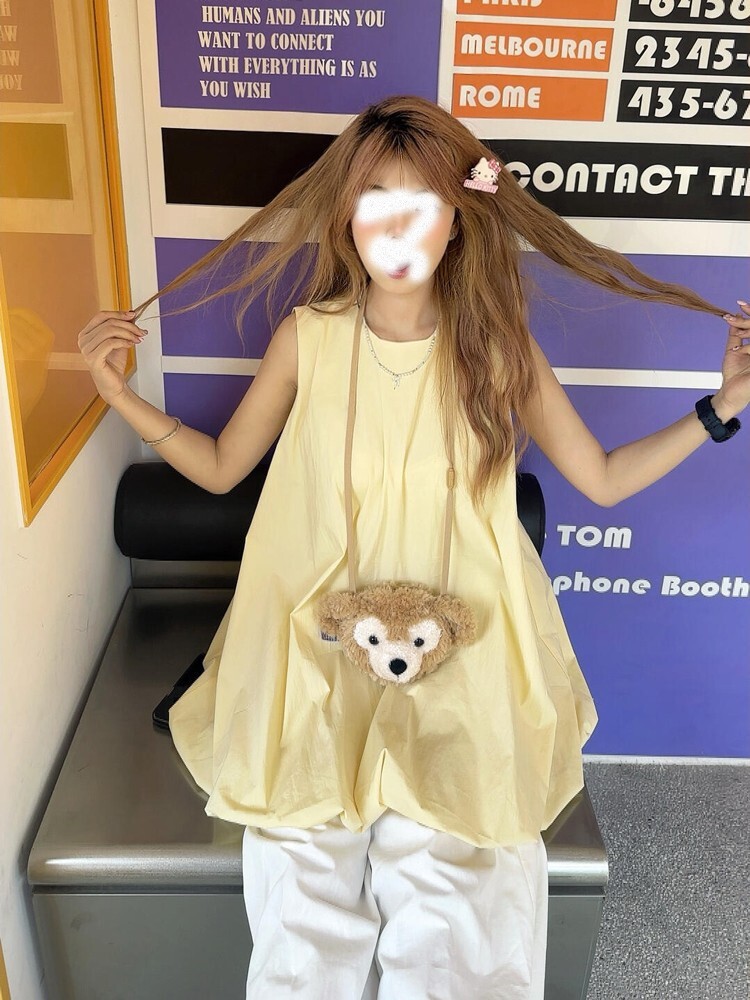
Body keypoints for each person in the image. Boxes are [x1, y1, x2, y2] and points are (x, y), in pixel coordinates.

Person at [77, 95, 749, 999]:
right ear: (346, 218)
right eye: (374, 199)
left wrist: (723, 407)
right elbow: (223, 467)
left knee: (462, 895)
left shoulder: (498, 348)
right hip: (316, 639)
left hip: (463, 638)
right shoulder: (308, 338)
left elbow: (601, 478)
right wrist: (117, 395)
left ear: (460, 218)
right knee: (300, 894)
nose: (396, 226)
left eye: (422, 202)